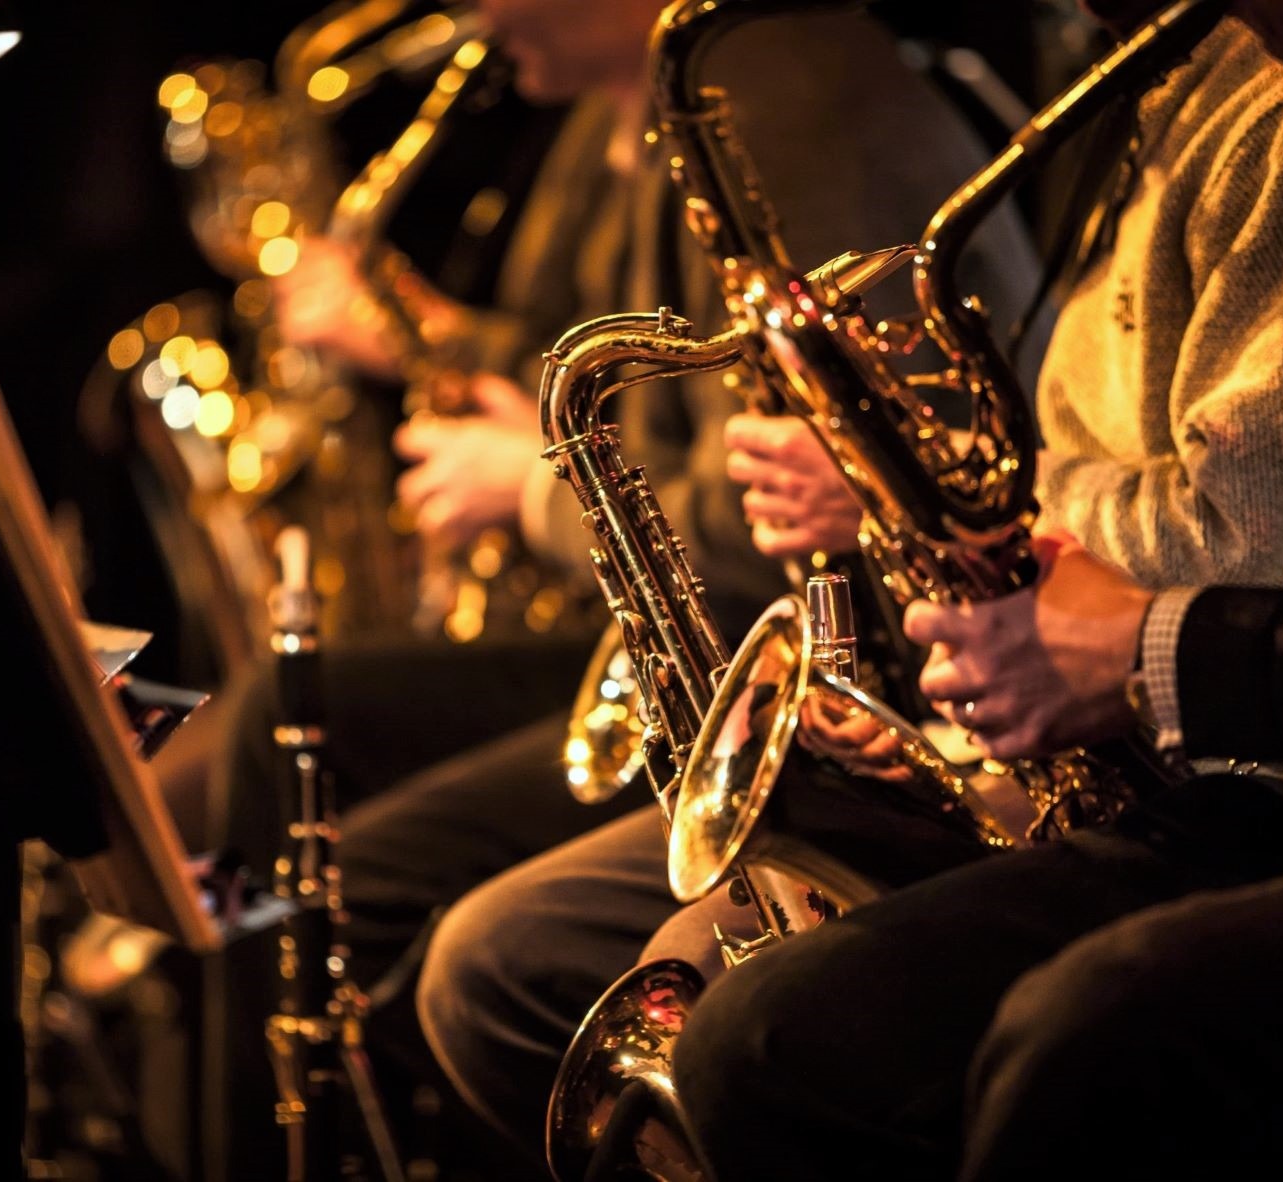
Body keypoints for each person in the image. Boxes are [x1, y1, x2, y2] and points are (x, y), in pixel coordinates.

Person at [669, 4, 1283, 1180]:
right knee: (693, 974)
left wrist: (966, 502)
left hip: (1249, 768)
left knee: (773, 1039)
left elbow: (1261, 540)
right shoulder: (1151, 92)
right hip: (1162, 727)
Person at [403, 0, 1054, 1169]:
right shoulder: (673, 101)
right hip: (820, 674)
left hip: (938, 692)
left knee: (486, 951)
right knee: (471, 945)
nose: (474, 14)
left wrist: (541, 493)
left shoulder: (776, 89)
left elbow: (803, 499)